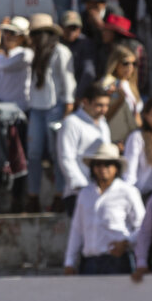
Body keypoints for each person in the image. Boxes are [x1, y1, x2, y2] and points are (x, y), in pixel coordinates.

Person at [64, 142, 144, 274]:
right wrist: (69, 262)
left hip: (117, 260)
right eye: (98, 164)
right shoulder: (85, 194)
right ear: (93, 167)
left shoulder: (128, 192)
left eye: (108, 164)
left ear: (116, 167)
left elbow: (142, 226)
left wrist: (126, 242)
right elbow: (77, 230)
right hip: (90, 261)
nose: (103, 168)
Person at [26, 13, 76, 212]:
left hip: (57, 106)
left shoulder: (61, 51)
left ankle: (59, 195)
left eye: (41, 33)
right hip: (37, 108)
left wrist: (68, 107)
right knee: (34, 153)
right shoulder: (34, 52)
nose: (38, 37)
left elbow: (68, 80)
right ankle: (33, 196)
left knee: (57, 153)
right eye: (35, 33)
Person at [58, 84, 113, 212]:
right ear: (85, 102)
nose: (104, 110)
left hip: (102, 191)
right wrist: (82, 187)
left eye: (106, 105)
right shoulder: (71, 123)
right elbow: (66, 158)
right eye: (99, 105)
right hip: (77, 193)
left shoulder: (103, 124)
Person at [97, 45, 143, 144]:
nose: (130, 67)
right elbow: (102, 114)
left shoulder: (131, 85)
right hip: (114, 138)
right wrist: (119, 100)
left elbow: (137, 114)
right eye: (125, 63)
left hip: (132, 136)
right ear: (116, 63)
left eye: (134, 63)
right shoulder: (108, 83)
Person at [0, 15, 33, 112]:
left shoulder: (25, 53)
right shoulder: (0, 52)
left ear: (22, 38)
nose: (7, 36)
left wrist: (0, 52)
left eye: (12, 33)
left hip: (18, 108)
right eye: (5, 32)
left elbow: (4, 64)